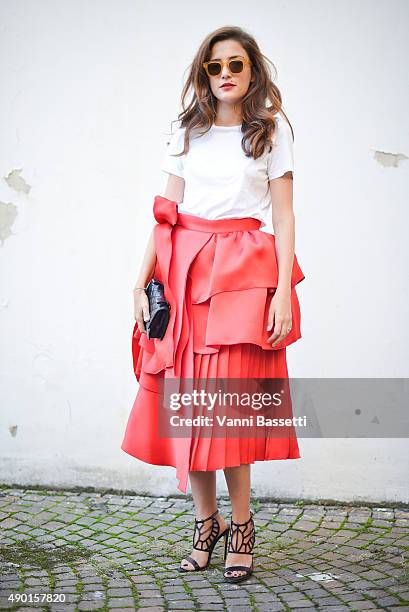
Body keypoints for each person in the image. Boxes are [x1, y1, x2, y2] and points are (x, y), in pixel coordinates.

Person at [121, 25, 305, 583]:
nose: (225, 74)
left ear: (253, 72)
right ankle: (207, 523)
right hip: (183, 276)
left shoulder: (268, 133)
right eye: (214, 66)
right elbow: (166, 214)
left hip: (242, 279)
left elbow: (284, 217)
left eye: (236, 64)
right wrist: (139, 281)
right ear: (204, 74)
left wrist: (282, 292)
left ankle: (242, 527)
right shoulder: (186, 132)